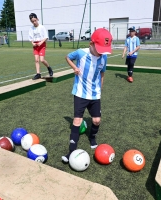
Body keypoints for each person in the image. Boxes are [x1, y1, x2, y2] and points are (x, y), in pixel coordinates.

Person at [61, 28, 113, 162]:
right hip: (80, 93)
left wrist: (100, 89)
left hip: (95, 94)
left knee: (96, 120)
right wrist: (74, 67)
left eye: (104, 50)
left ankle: (92, 137)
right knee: (77, 120)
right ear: (91, 43)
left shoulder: (104, 57)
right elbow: (67, 57)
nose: (101, 53)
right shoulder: (80, 53)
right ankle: (71, 152)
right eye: (100, 49)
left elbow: (102, 73)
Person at [28, 13, 53, 80]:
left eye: (35, 20)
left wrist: (41, 42)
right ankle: (38, 74)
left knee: (42, 60)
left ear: (37, 19)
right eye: (32, 21)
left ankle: (49, 68)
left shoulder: (42, 27)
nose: (34, 22)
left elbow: (46, 37)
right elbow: (31, 38)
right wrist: (32, 43)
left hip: (42, 45)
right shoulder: (31, 28)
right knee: (36, 60)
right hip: (35, 45)